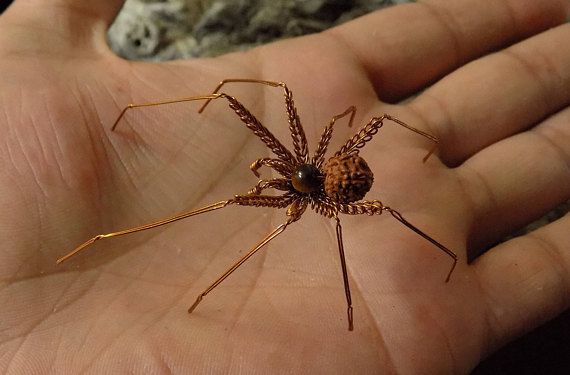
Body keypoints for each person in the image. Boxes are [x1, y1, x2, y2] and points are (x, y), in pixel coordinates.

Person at [0, 0, 568, 373]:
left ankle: (218, 284)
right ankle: (123, 243)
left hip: (331, 186)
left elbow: (315, 221)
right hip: (318, 172)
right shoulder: (294, 162)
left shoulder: (311, 193)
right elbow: (273, 101)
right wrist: (223, 86)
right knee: (236, 110)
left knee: (353, 215)